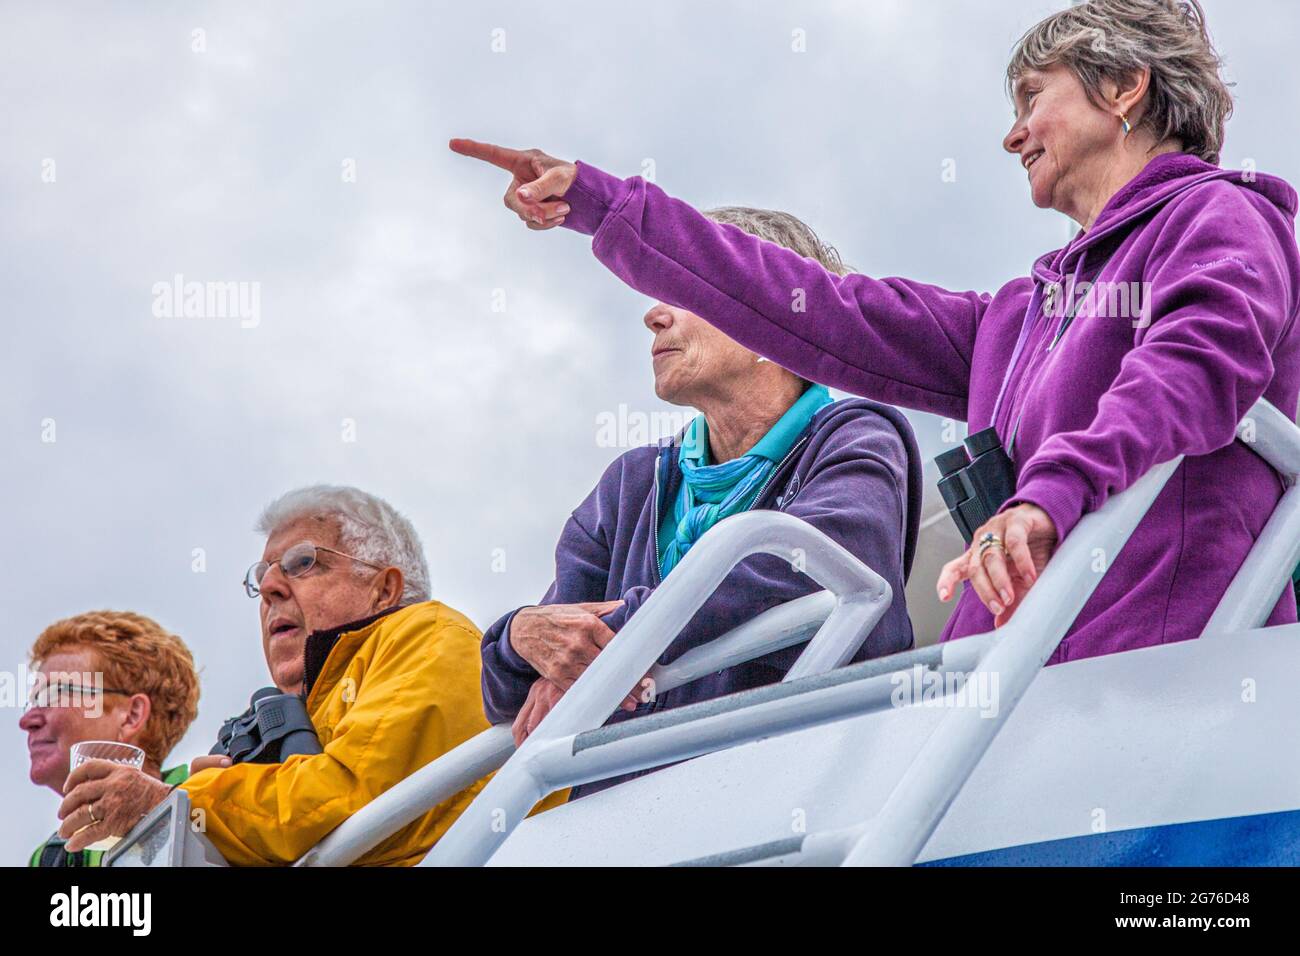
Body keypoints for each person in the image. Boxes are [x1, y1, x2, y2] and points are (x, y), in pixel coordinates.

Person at [451, 0, 1300, 664]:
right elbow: (816, 305)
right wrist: (605, 203)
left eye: (1032, 98)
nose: (1011, 135)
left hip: (1168, 683)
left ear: (1124, 88)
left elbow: (1196, 360)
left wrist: (1048, 493)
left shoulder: (1222, 215)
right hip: (1000, 702)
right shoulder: (1012, 318)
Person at [482, 206, 921, 797]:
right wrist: (520, 637)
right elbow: (506, 691)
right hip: (624, 824)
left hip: (806, 802)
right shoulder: (631, 484)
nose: (652, 314)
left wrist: (600, 647)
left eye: (682, 289)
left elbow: (805, 568)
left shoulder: (858, 435)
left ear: (774, 316)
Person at [57, 485, 504, 866]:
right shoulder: (315, 707)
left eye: (303, 562)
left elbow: (340, 799)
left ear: (384, 588)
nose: (270, 588)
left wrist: (182, 805)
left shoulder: (426, 633)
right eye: (261, 576)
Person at [22, 610, 199, 867]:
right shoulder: (51, 859)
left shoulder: (213, 809)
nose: (27, 720)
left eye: (54, 694)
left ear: (132, 715)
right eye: (34, 701)